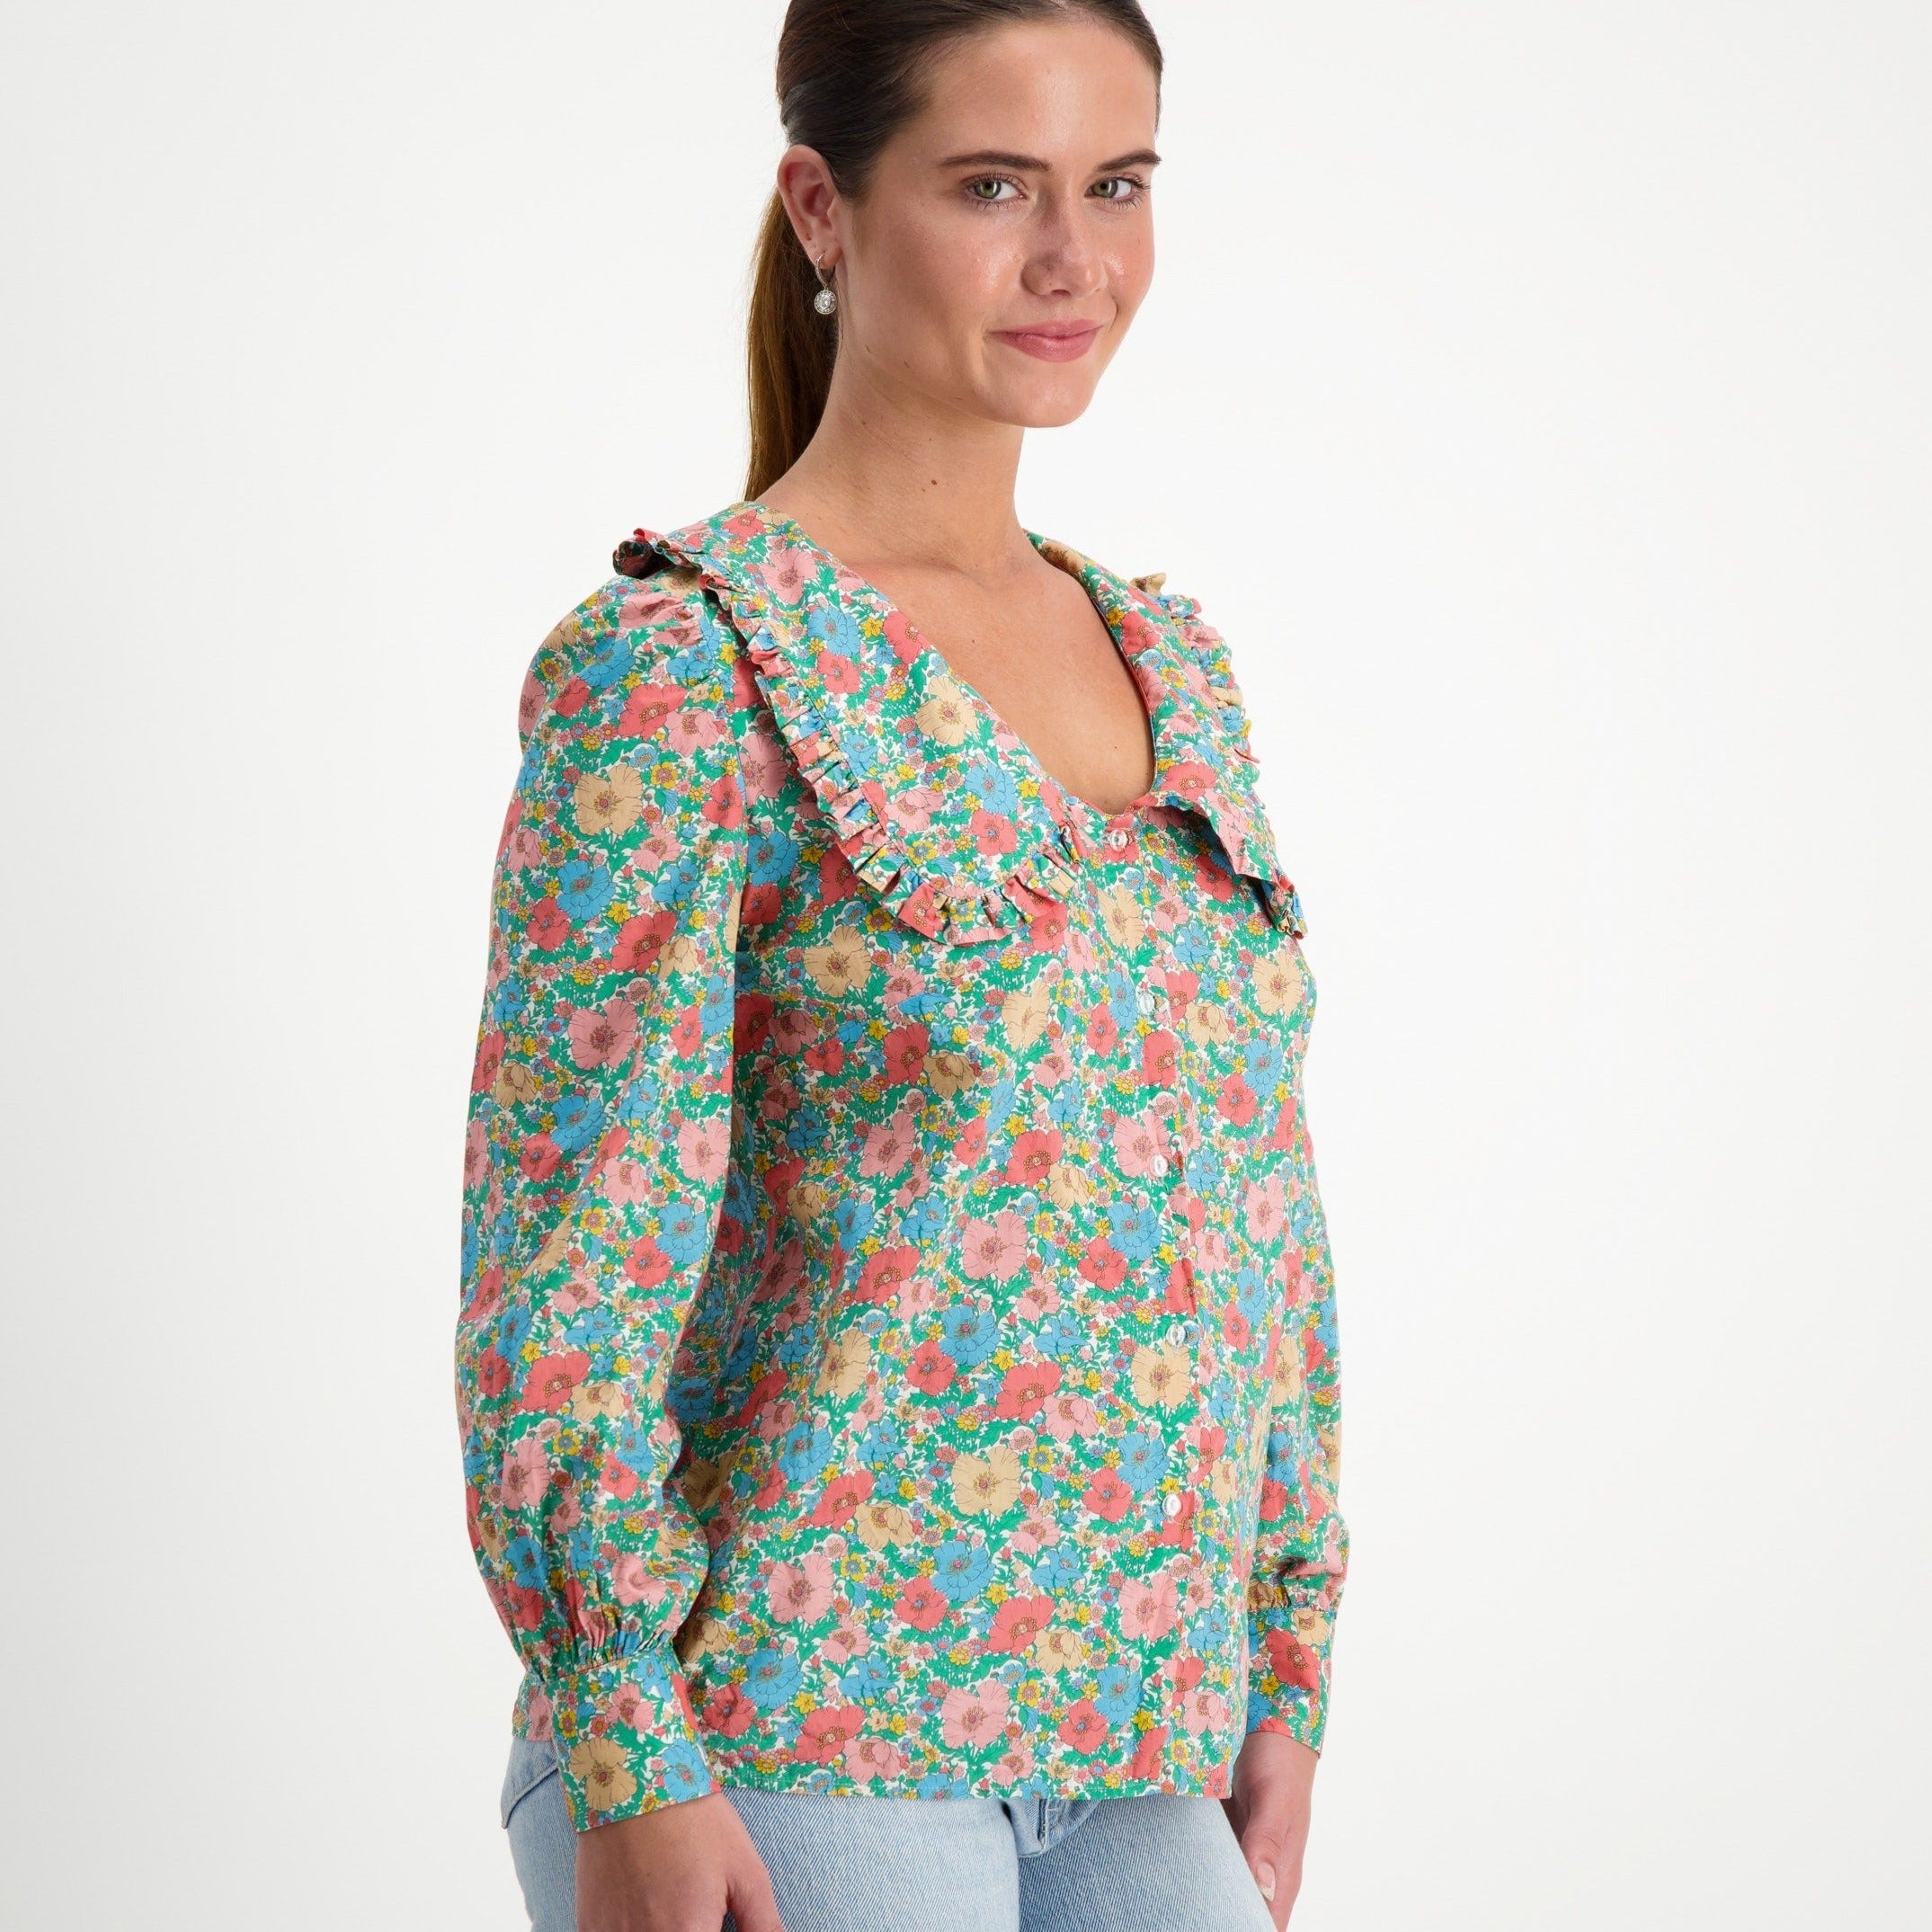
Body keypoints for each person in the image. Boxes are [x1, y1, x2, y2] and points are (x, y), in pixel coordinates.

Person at [454, 4, 1349, 1927]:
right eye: (993, 187)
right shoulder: (683, 669)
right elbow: (569, 1254)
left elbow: (1255, 1194)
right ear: (822, 207)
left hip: (1143, 1739)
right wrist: (623, 1742)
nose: (1074, 259)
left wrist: (1285, 1654)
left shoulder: (1171, 663)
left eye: (1117, 184)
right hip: (787, 1733)